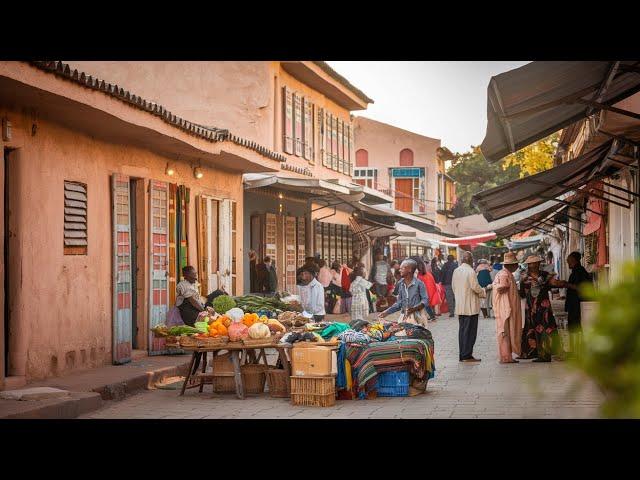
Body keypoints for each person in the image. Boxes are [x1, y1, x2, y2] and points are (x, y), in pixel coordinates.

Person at [518, 255, 565, 362]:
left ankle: (545, 355)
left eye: (534, 263)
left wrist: (565, 284)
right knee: (531, 328)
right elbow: (522, 293)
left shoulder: (545, 275)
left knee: (546, 327)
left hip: (544, 307)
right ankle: (532, 352)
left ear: (539, 264)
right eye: (530, 263)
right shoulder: (524, 276)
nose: (532, 265)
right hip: (531, 307)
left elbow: (553, 284)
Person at [452, 251, 487, 363]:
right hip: (471, 307)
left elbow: (453, 287)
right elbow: (475, 287)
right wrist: (483, 292)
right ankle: (467, 355)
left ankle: (463, 354)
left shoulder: (456, 271)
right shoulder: (470, 271)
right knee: (470, 332)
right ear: (471, 260)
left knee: (462, 331)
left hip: (460, 306)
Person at [558, 251, 593, 357]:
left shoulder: (579, 271)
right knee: (574, 327)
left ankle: (575, 351)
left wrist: (566, 284)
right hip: (574, 303)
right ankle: (574, 350)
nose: (568, 264)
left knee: (576, 327)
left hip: (578, 304)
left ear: (574, 260)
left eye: (568, 261)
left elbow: (580, 287)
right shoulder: (575, 271)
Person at [492, 252, 523, 364]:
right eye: (515, 264)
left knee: (507, 331)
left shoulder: (507, 273)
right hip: (506, 309)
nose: (516, 266)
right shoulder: (504, 274)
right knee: (505, 332)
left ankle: (507, 356)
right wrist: (503, 286)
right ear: (511, 265)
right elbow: (501, 288)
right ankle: (506, 357)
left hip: (507, 308)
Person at [379, 259, 430, 326]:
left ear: (409, 269)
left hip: (418, 318)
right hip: (404, 317)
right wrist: (387, 312)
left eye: (402, 268)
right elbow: (399, 303)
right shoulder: (400, 283)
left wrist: (415, 308)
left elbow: (425, 300)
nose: (399, 270)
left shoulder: (419, 284)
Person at [414, 257, 438, 322]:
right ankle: (432, 317)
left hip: (422, 292)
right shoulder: (426, 274)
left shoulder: (419, 274)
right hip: (425, 291)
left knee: (424, 305)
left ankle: (429, 317)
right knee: (426, 305)